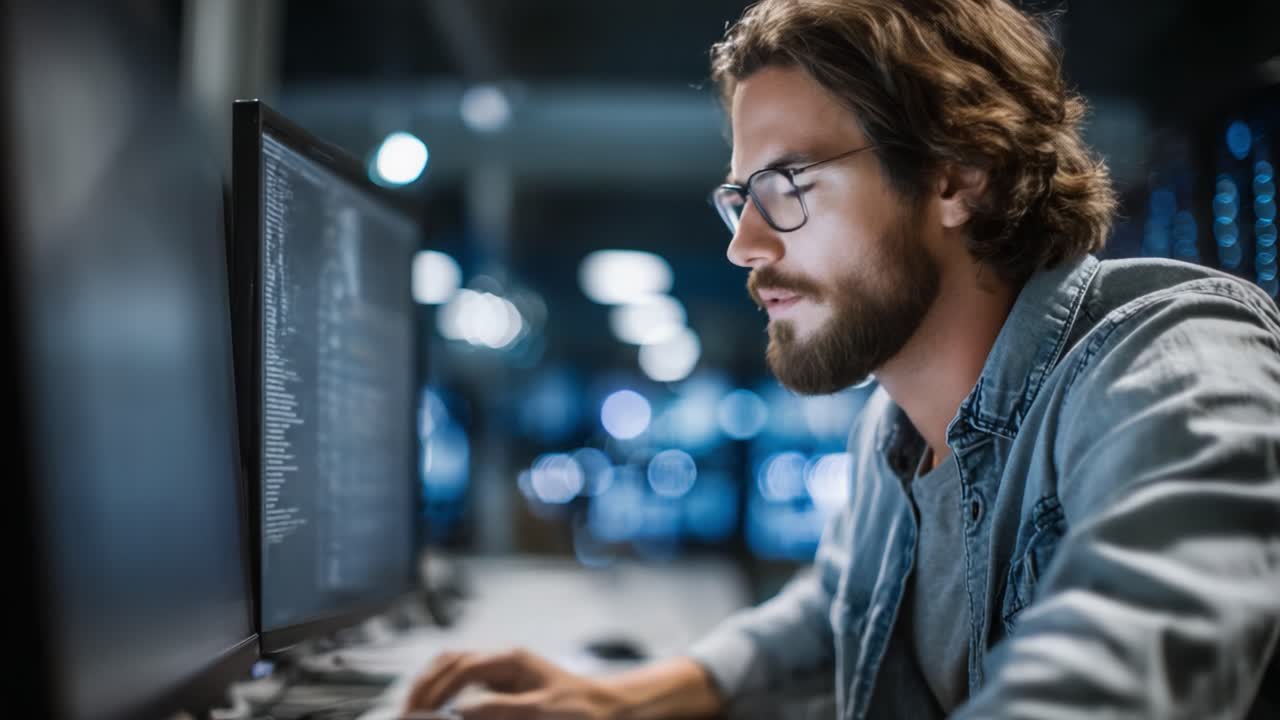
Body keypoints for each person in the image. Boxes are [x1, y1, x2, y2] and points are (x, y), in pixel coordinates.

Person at [404, 0, 1280, 717]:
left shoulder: (1173, 354)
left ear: (955, 174)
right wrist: (631, 695)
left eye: (788, 186)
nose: (745, 244)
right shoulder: (891, 432)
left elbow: (1123, 661)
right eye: (740, 198)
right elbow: (837, 609)